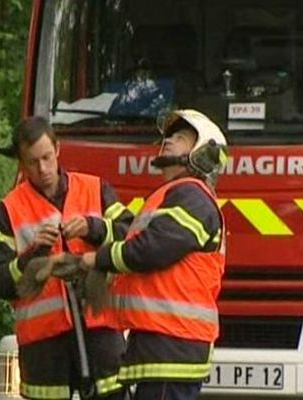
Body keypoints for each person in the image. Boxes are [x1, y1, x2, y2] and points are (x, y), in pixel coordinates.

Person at [76, 109, 229, 400]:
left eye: (181, 137)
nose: (168, 141)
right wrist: (93, 231)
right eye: (169, 135)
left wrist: (97, 259)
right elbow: (136, 239)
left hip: (172, 345)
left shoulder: (191, 196)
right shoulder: (173, 195)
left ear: (202, 153)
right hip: (163, 344)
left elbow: (151, 249)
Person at [0, 116, 133, 400]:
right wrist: (32, 255)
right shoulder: (9, 209)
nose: (42, 169)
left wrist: (95, 227)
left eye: (47, 157)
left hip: (101, 334)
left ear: (58, 150)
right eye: (32, 163)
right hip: (45, 348)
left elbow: (133, 238)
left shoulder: (95, 189)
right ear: (21, 162)